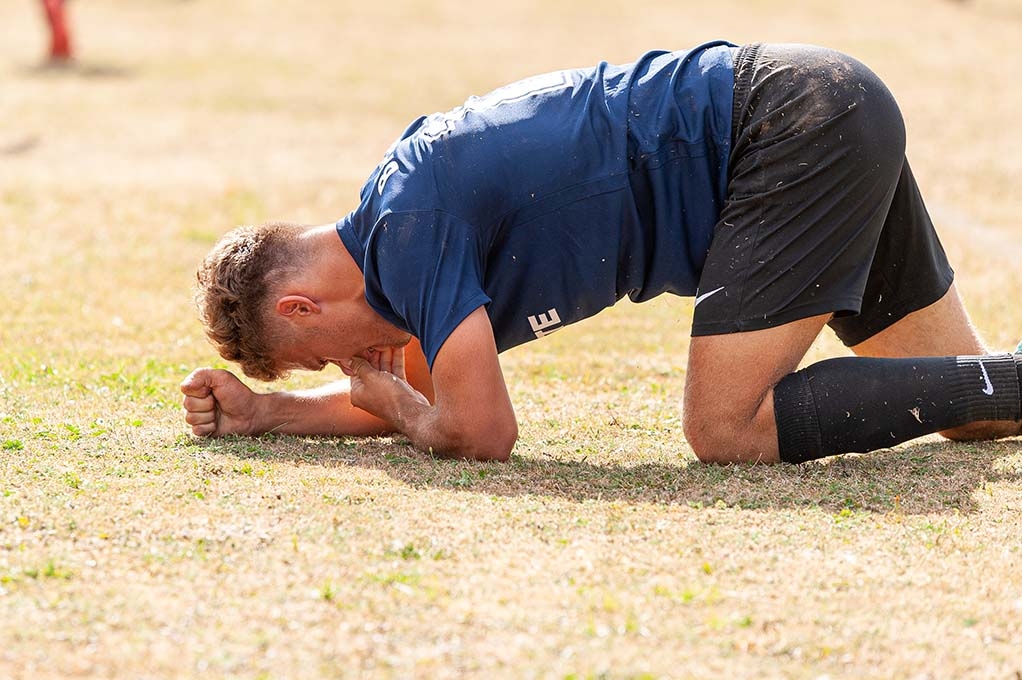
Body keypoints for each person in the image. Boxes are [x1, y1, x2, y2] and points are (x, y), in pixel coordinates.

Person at [180, 41, 1022, 464]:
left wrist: (393, 402)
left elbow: (476, 431)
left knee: (725, 427)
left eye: (316, 357)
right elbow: (426, 395)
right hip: (817, 105)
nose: (357, 363)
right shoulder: (398, 233)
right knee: (979, 413)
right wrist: (268, 414)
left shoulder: (406, 233)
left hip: (789, 126)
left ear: (301, 307)